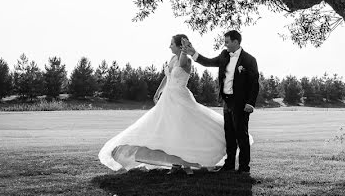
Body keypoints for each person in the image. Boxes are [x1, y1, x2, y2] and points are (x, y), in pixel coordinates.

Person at [98, 34, 229, 174]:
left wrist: (185, 49)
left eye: (172, 44)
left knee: (182, 129)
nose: (169, 46)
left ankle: (186, 164)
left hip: (180, 97)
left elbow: (182, 63)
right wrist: (158, 91)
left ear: (179, 46)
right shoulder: (172, 58)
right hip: (168, 98)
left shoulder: (186, 60)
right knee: (169, 129)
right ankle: (175, 163)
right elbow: (167, 77)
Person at [184, 30, 259, 173]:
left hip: (241, 103)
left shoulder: (249, 60)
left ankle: (244, 168)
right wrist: (193, 53)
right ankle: (229, 165)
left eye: (227, 41)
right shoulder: (224, 55)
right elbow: (208, 62)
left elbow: (254, 83)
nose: (225, 44)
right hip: (227, 101)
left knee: (241, 135)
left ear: (236, 42)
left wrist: (250, 103)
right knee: (229, 135)